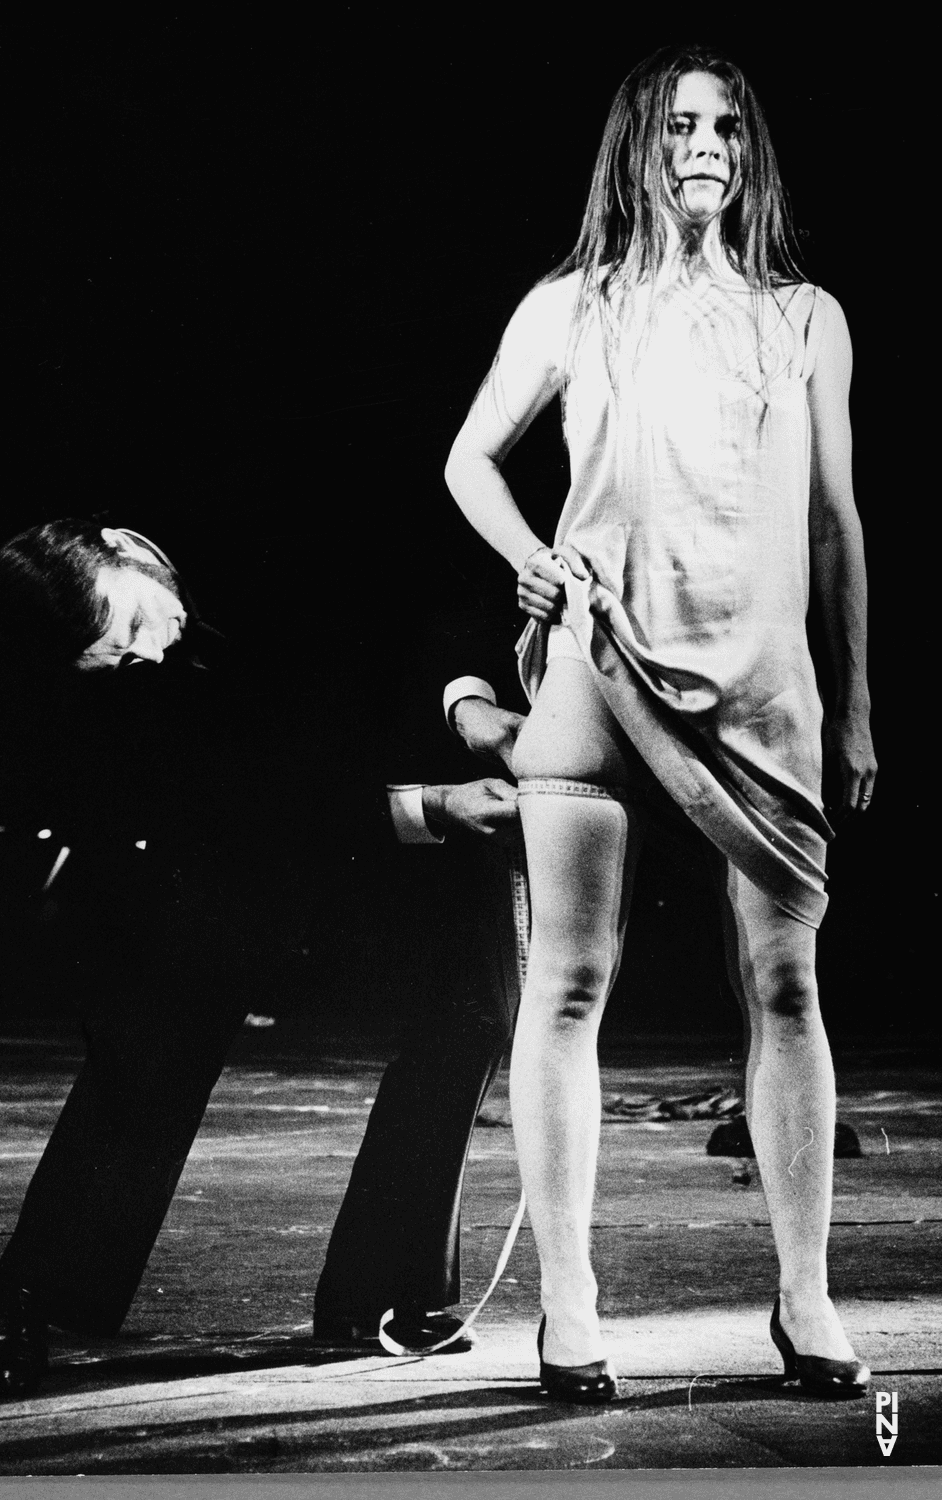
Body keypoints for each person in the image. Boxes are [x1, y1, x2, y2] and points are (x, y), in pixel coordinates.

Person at [444, 44, 875, 1402]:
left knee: (787, 987)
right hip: (598, 665)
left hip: (761, 685)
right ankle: (568, 1307)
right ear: (637, 143)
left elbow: (834, 521)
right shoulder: (570, 308)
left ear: (747, 153)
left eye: (727, 125)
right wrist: (527, 554)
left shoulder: (805, 316)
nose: (705, 143)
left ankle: (804, 1298)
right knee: (569, 984)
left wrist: (854, 698)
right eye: (681, 122)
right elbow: (466, 457)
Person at [0, 518, 526, 1395]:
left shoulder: (279, 559)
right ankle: (33, 1297)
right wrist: (424, 805)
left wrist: (460, 727)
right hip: (255, 844)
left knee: (470, 1009)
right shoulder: (111, 686)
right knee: (151, 1030)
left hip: (407, 786)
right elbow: (243, 802)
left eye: (139, 629)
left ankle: (384, 1294)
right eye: (121, 662)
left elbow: (418, 627)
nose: (150, 655)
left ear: (125, 550)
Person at [313, 678, 526, 1353]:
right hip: (393, 812)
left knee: (468, 1031)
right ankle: (367, 1292)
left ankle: (396, 1292)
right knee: (452, 1032)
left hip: (464, 809)